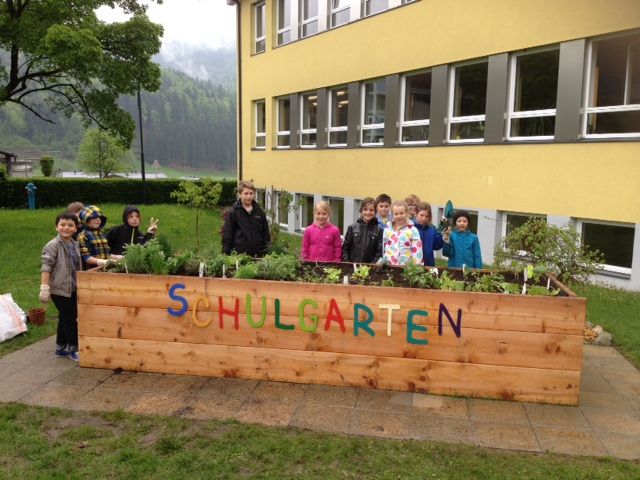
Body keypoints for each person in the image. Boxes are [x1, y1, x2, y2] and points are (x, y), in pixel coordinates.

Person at [39, 211, 82, 362]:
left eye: (70, 225)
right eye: (62, 224)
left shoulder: (75, 244)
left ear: (76, 228)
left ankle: (60, 347)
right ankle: (74, 349)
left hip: (73, 288)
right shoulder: (52, 245)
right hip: (59, 289)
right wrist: (44, 288)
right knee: (70, 318)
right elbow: (46, 267)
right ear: (56, 227)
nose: (66, 228)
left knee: (64, 316)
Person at [222, 180, 270, 257]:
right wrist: (226, 254)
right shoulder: (234, 212)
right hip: (239, 256)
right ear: (240, 194)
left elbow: (266, 234)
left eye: (251, 193)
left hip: (258, 256)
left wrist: (267, 252)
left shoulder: (259, 212)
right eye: (246, 193)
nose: (249, 196)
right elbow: (227, 235)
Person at [78, 205, 121, 269]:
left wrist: (117, 257)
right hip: (91, 270)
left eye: (99, 218)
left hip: (105, 268)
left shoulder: (101, 234)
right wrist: (100, 261)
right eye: (94, 218)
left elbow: (106, 253)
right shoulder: (83, 236)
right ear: (85, 220)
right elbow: (85, 257)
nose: (98, 220)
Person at [380, 201, 423, 266]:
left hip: (406, 267)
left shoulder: (413, 230)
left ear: (406, 213)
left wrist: (417, 267)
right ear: (392, 215)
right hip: (389, 266)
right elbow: (384, 248)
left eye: (401, 213)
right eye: (396, 214)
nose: (399, 216)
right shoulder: (388, 229)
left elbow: (417, 250)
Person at [342, 197, 383, 263]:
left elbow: (379, 252)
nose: (368, 212)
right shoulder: (352, 228)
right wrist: (348, 263)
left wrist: (372, 265)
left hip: (370, 267)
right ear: (361, 211)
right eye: (365, 209)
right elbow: (345, 249)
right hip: (352, 266)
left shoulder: (379, 230)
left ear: (375, 212)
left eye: (371, 210)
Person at [414, 201, 443, 267]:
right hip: (413, 264)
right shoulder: (411, 228)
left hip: (429, 264)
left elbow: (436, 246)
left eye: (427, 216)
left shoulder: (432, 229)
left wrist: (441, 236)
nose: (424, 218)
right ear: (416, 214)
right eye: (421, 215)